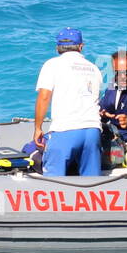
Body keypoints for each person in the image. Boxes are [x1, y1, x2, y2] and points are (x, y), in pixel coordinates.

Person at [33, 28, 103, 176]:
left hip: (65, 130)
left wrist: (38, 128)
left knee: (53, 182)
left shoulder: (52, 64)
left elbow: (44, 97)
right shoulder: (94, 69)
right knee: (91, 184)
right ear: (81, 46)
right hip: (92, 130)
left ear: (57, 47)